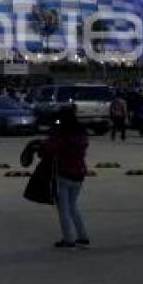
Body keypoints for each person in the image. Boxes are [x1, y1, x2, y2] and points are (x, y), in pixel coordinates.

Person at [42, 106, 90, 248]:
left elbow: (50, 149)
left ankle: (68, 238)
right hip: (79, 172)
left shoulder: (62, 133)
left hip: (64, 173)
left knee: (63, 209)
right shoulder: (81, 132)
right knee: (73, 206)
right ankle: (83, 235)